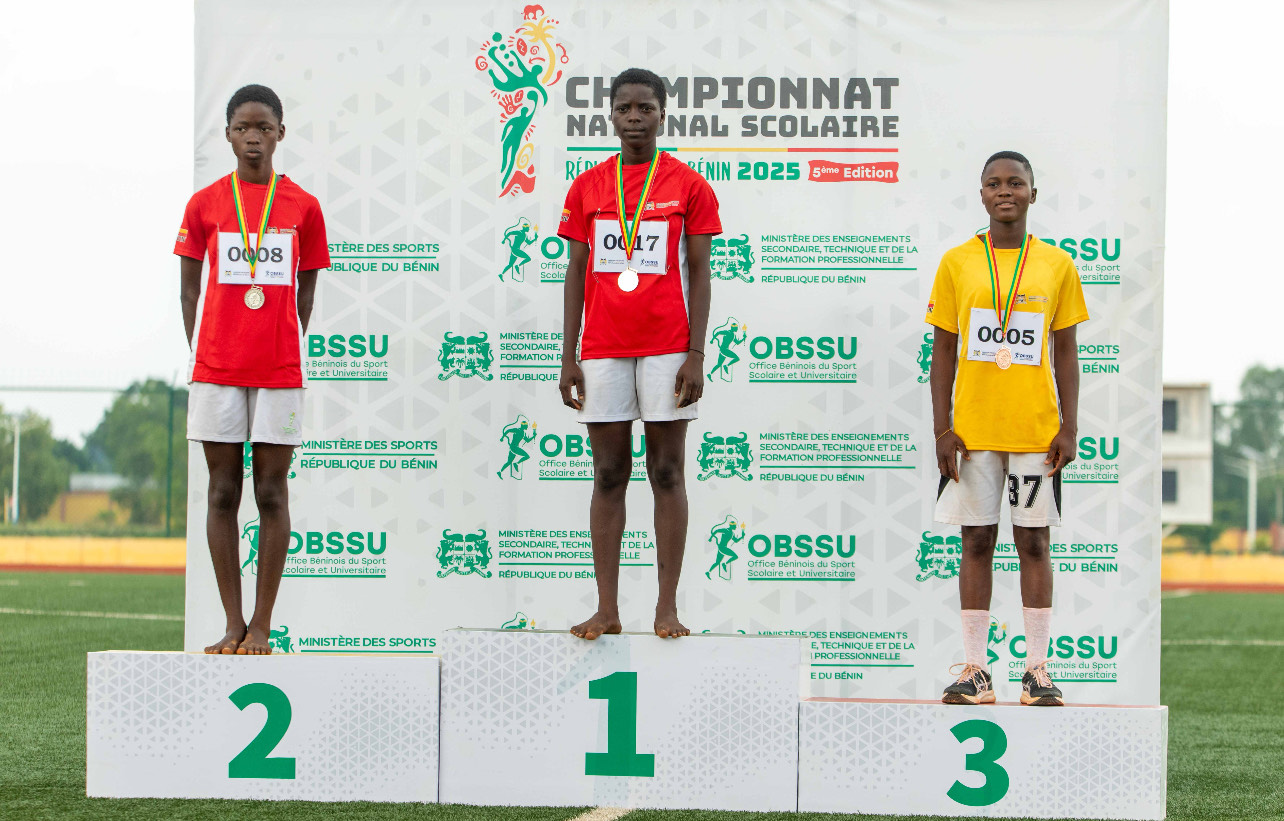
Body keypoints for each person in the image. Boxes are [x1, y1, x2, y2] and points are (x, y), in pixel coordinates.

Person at [557, 67, 721, 640]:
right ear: (610, 115)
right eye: (624, 108)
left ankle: (665, 610)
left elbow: (699, 272)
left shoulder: (689, 185)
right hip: (603, 345)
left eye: (645, 108)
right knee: (608, 473)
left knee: (667, 472)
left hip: (668, 345)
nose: (634, 117)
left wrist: (696, 352)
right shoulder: (587, 186)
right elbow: (576, 272)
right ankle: (607, 609)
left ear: (662, 115)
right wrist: (568, 355)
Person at [926, 150, 1088, 706]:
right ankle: (976, 670)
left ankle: (1036, 670)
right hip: (973, 434)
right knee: (976, 541)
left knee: (1034, 542)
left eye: (1015, 183)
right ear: (981, 194)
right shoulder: (957, 262)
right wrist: (942, 429)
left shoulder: (1057, 264)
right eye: (994, 183)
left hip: (1036, 432)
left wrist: (1069, 426)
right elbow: (942, 350)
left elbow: (1066, 351)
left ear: (1032, 194)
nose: (1005, 191)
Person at [176, 84, 330, 655]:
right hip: (216, 369)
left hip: (278, 371)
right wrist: (207, 351)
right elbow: (189, 289)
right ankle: (232, 624)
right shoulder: (205, 204)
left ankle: (262, 625)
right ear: (227, 135)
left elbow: (306, 291)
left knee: (271, 492)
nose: (253, 138)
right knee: (222, 492)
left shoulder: (303, 207)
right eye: (243, 128)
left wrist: (280, 341)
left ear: (280, 133)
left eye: (264, 128)